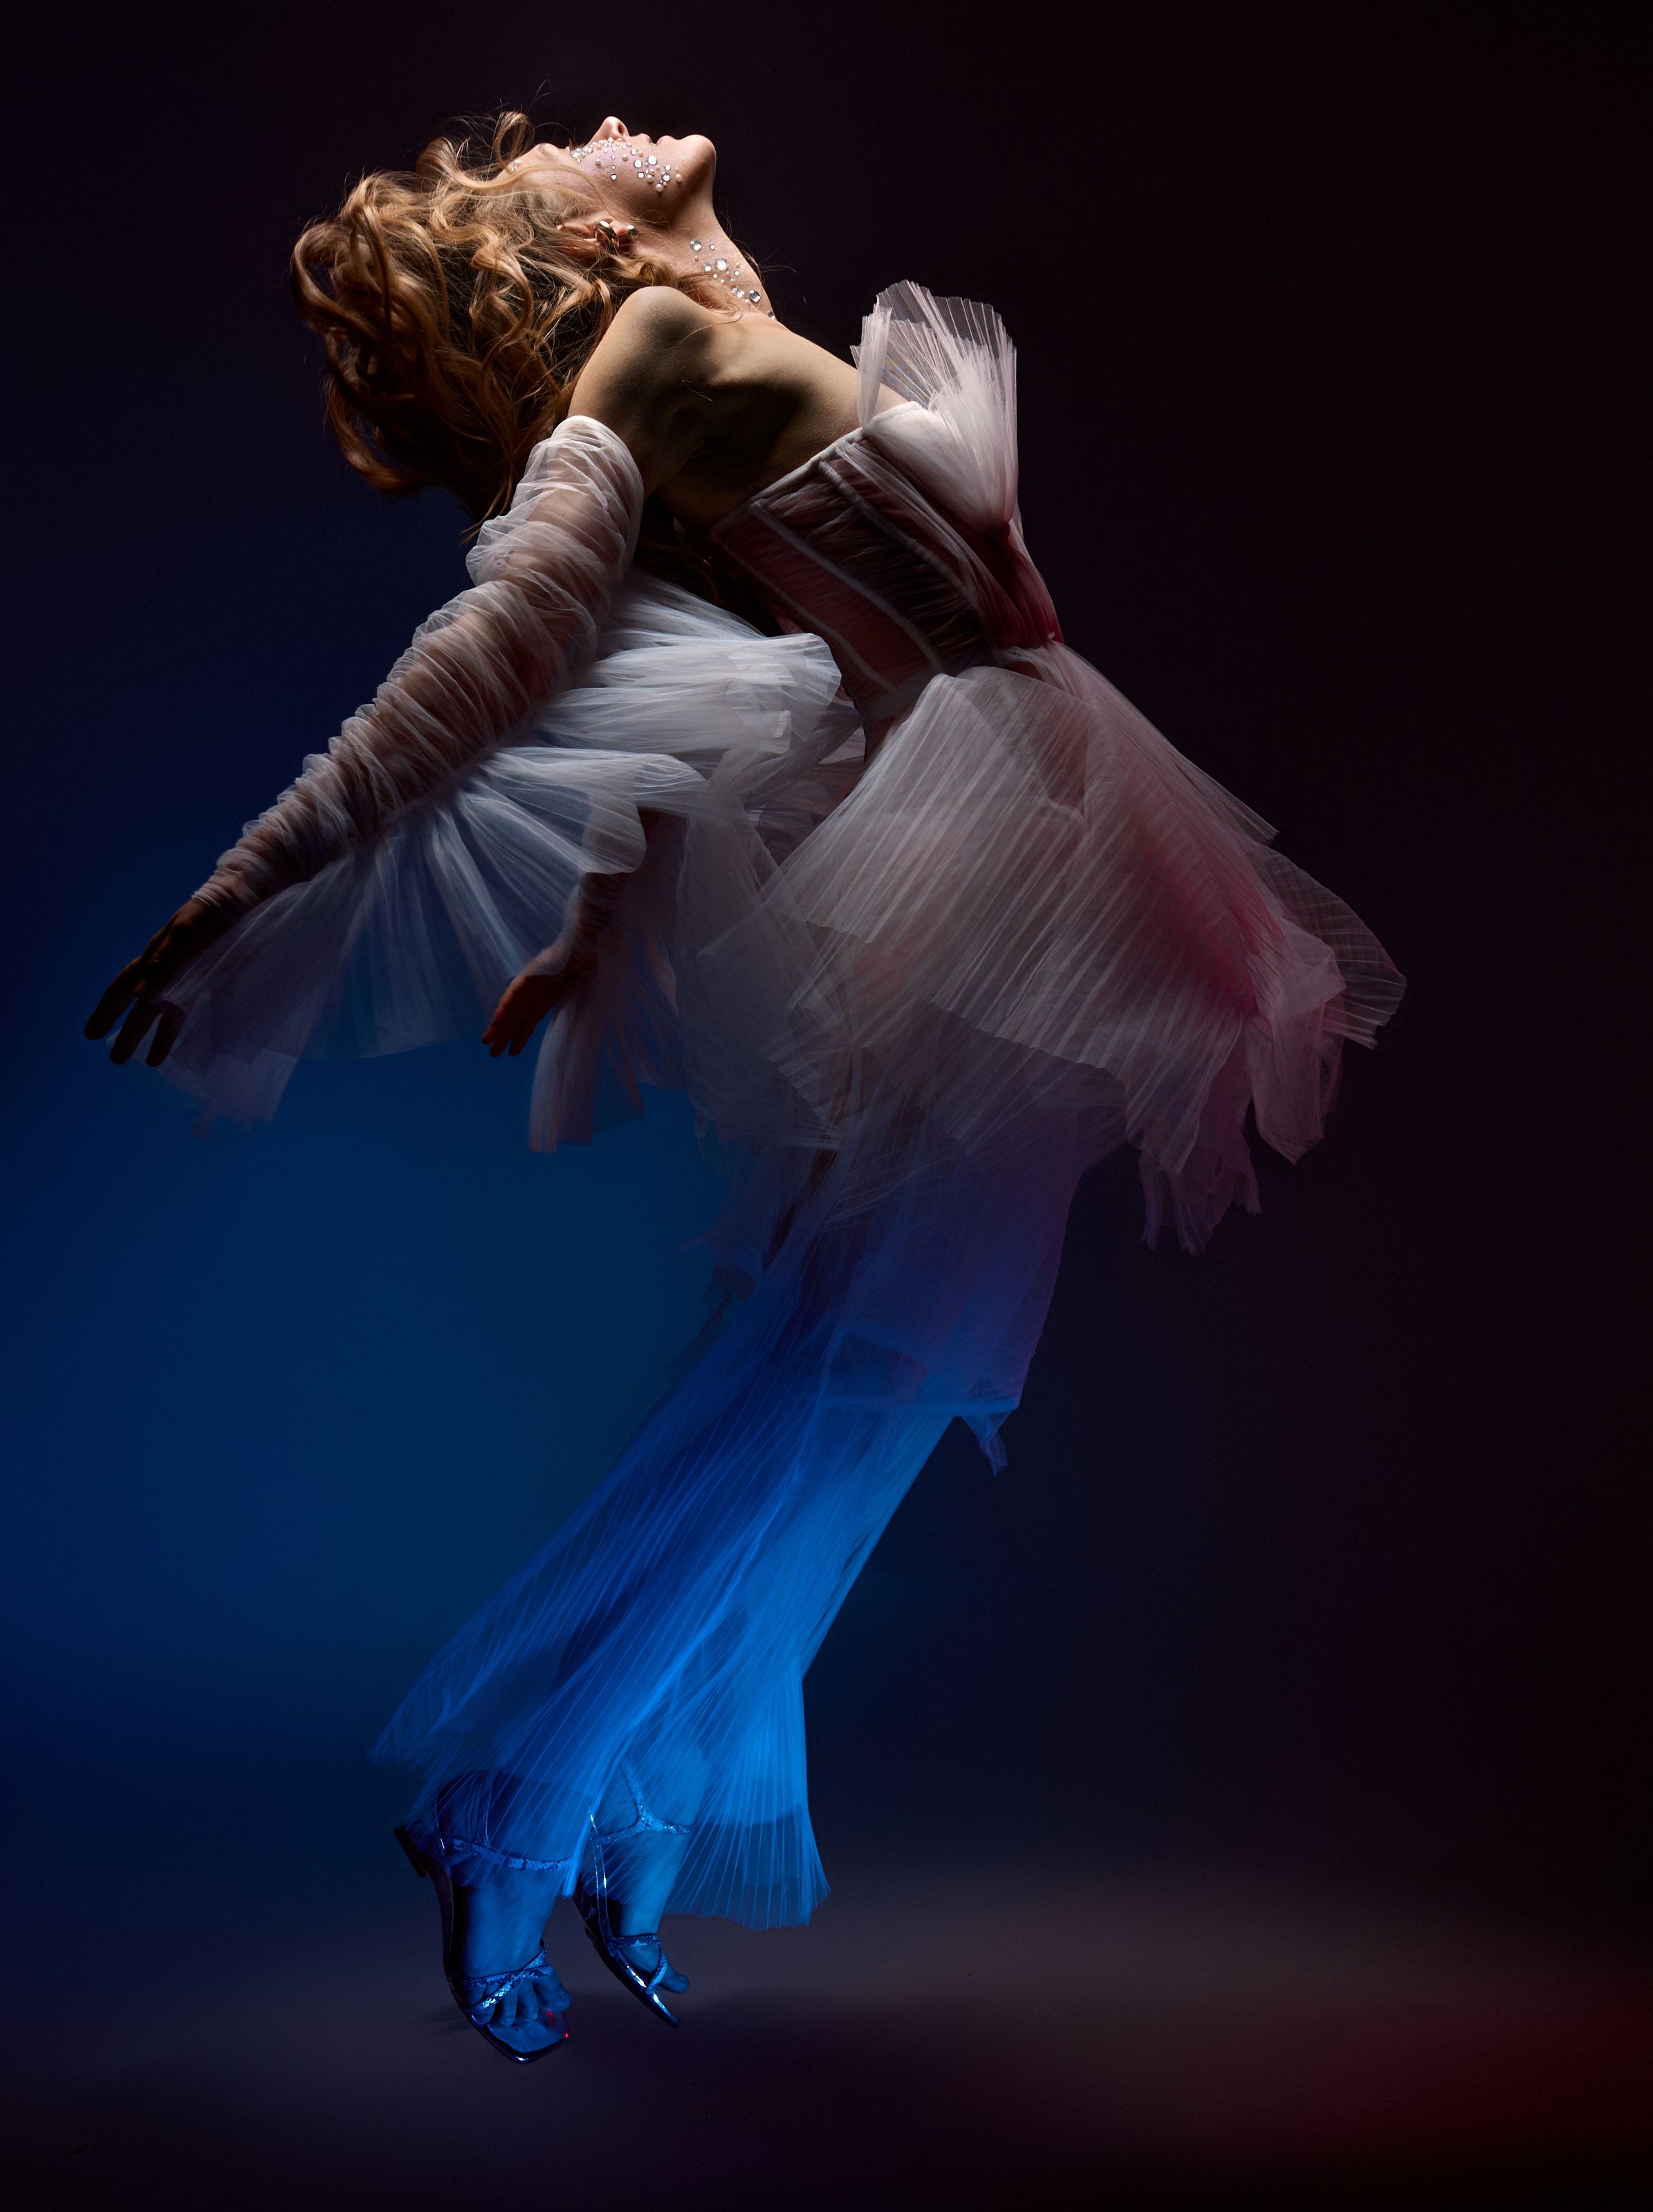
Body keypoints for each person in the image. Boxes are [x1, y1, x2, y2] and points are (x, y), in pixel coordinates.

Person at [86, 112, 1403, 2064]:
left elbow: (757, 664)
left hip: (1007, 833)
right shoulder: (642, 363)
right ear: (569, 264)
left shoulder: (722, 323)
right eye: (557, 160)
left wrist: (600, 920)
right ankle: (522, 1802)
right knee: (854, 1367)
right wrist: (255, 877)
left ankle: (616, 1797)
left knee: (866, 1367)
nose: (594, 127)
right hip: (995, 856)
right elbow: (499, 649)